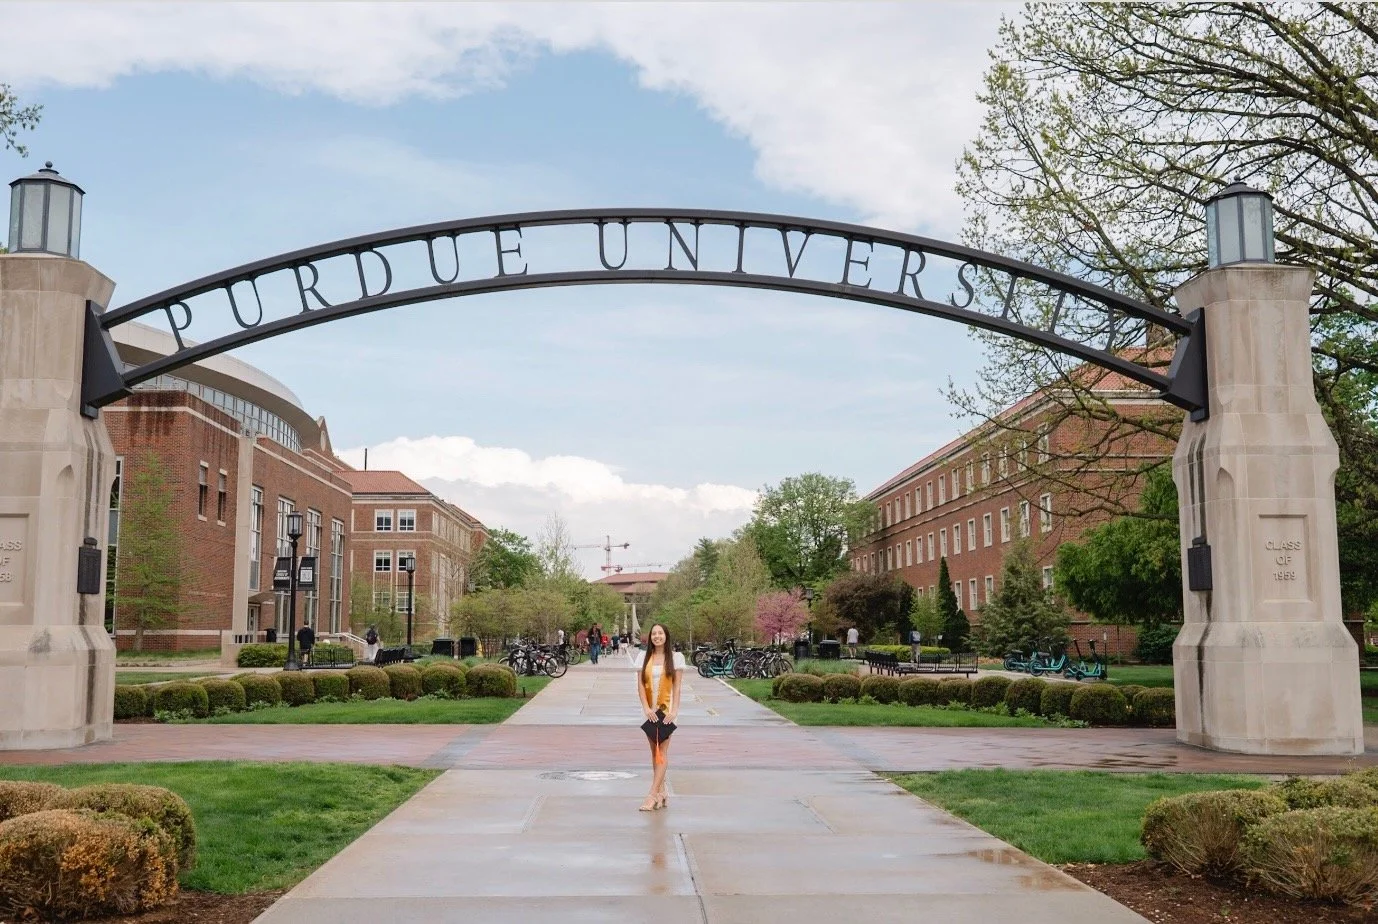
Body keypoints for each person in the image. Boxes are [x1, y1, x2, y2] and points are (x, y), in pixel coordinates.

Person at [633, 623, 683, 811]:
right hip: (649, 711)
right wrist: (646, 708)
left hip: (667, 711)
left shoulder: (676, 658)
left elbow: (677, 687)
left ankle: (652, 795)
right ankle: (662, 793)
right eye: (654, 633)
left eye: (660, 633)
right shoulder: (643, 658)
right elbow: (639, 685)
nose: (657, 636)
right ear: (650, 638)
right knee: (654, 752)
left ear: (666, 636)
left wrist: (675, 711)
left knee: (662, 751)